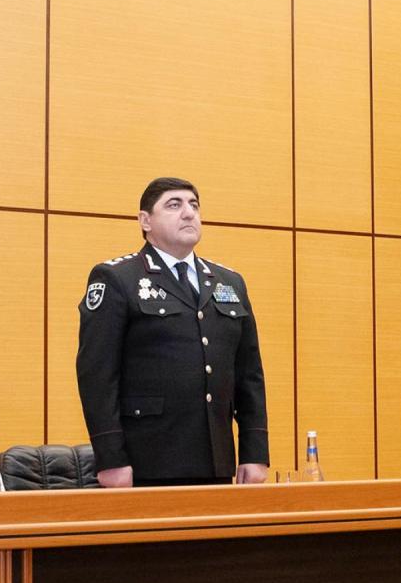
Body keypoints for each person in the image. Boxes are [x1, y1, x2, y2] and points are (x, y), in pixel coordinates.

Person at [76, 178, 269, 487]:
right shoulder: (117, 278)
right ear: (145, 221)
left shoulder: (229, 282)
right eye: (174, 205)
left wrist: (254, 451)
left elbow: (249, 375)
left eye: (194, 205)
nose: (188, 213)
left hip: (215, 459)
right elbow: (97, 376)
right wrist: (111, 459)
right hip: (147, 462)